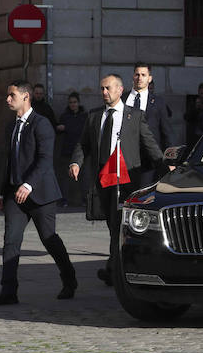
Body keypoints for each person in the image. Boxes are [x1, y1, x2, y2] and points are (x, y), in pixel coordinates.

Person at [69, 74, 164, 286]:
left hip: (125, 179)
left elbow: (150, 144)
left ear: (120, 90)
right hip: (103, 179)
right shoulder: (94, 116)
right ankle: (115, 267)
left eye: (108, 88)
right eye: (102, 89)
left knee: (120, 223)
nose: (104, 93)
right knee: (113, 224)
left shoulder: (135, 116)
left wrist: (165, 166)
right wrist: (76, 163)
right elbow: (83, 144)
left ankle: (114, 269)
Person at [0, 80, 77, 305]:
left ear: (26, 97)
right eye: (8, 95)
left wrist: (28, 185)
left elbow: (45, 160)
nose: (8, 99)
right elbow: (10, 162)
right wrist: (2, 193)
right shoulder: (13, 125)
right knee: (11, 241)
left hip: (40, 194)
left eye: (12, 95)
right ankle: (8, 292)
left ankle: (69, 279)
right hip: (14, 194)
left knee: (49, 238)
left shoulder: (42, 124)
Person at [123, 62, 173, 187]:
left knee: (144, 196)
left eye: (143, 75)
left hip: (149, 162)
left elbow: (166, 132)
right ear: (133, 76)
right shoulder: (121, 100)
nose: (140, 78)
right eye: (137, 74)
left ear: (150, 78)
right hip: (124, 161)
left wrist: (171, 160)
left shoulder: (158, 103)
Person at [56, 92, 87, 206]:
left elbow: (81, 130)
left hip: (81, 151)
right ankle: (64, 199)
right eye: (70, 103)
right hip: (67, 149)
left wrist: (67, 127)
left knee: (83, 177)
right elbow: (58, 129)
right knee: (65, 178)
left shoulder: (84, 115)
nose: (73, 105)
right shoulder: (65, 116)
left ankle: (85, 199)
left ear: (78, 103)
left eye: (74, 102)